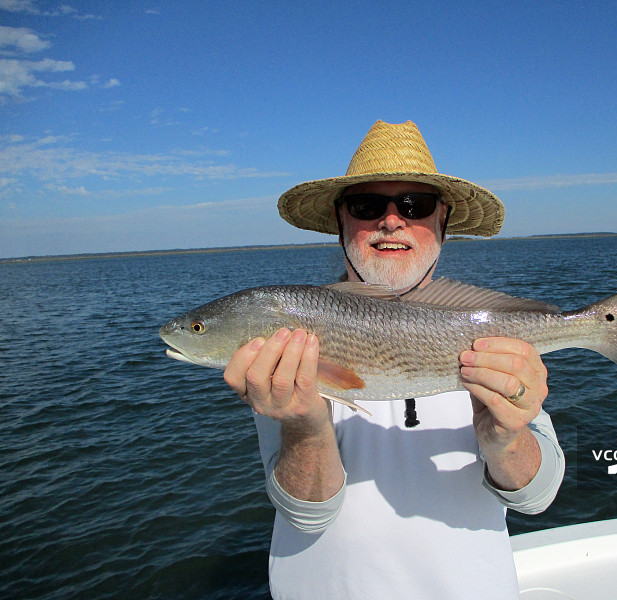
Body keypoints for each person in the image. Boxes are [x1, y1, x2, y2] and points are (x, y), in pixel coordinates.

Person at [223, 120, 565, 599]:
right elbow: (307, 514)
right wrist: (305, 426)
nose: (391, 220)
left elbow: (537, 497)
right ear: (340, 220)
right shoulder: (291, 339)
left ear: (442, 221)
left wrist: (506, 439)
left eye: (414, 205)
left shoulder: (491, 333)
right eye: (366, 205)